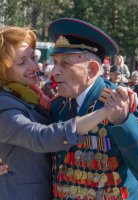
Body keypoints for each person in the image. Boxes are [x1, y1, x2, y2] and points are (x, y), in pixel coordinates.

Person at [0, 26, 125, 200]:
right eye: (21, 62)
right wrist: (104, 111)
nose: (34, 66)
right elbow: (40, 137)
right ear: (4, 70)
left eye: (33, 57)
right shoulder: (5, 103)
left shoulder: (34, 95)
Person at [47, 18, 138, 200]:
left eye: (64, 64)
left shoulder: (120, 101)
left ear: (92, 69)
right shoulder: (57, 105)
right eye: (54, 62)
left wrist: (123, 122)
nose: (53, 72)